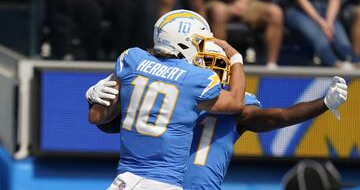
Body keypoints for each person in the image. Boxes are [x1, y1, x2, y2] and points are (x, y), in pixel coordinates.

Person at [87, 40, 348, 189]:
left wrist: (94, 99)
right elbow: (280, 116)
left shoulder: (181, 93)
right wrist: (323, 103)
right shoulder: (223, 100)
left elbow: (108, 125)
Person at [87, 9, 247, 189]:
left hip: (126, 180)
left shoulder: (133, 59)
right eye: (199, 42)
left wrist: (93, 96)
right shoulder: (196, 79)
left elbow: (95, 116)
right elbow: (236, 102)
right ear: (182, 42)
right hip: (165, 183)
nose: (203, 49)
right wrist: (236, 58)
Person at [205, 0, 284, 69]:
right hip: (215, 2)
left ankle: (271, 65)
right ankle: (219, 62)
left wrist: (243, 2)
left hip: (242, 1)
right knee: (219, 11)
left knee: (275, 12)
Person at [285, 0, 360, 69]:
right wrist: (320, 22)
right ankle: (336, 65)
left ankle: (356, 64)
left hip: (326, 11)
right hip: (299, 10)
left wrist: (329, 22)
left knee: (342, 42)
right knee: (320, 39)